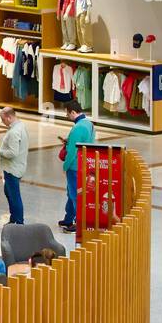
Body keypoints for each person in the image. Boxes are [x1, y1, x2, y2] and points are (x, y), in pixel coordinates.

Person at [60, 99, 96, 233]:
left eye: (68, 114)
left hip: (75, 166)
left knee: (75, 195)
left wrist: (65, 166)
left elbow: (72, 152)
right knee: (71, 193)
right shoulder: (89, 124)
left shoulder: (78, 127)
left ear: (73, 112)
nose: (67, 116)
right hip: (84, 163)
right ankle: (68, 217)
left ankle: (79, 222)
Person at [0, 105, 29, 226]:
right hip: (16, 167)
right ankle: (14, 218)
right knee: (9, 192)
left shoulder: (14, 132)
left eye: (3, 119)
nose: (2, 122)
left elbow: (13, 152)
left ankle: (18, 222)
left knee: (14, 196)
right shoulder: (20, 126)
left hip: (12, 168)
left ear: (9, 117)